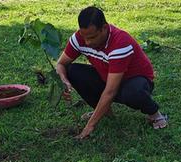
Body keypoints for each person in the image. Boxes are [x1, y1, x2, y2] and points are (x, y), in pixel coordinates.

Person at [56, 6, 168, 139]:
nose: (87, 42)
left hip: (135, 81)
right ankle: (104, 112)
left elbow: (110, 91)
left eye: (92, 37)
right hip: (106, 76)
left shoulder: (120, 43)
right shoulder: (79, 38)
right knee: (72, 71)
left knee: (133, 93)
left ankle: (155, 114)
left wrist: (90, 126)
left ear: (104, 28)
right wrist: (63, 80)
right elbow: (61, 64)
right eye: (84, 36)